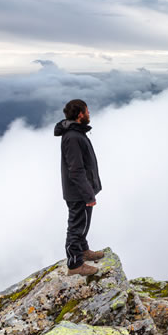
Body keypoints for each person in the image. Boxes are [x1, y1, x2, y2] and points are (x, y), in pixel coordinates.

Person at [54, 99, 104, 276]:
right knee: (76, 227)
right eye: (87, 111)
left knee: (82, 224)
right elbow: (75, 170)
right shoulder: (73, 137)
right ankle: (75, 265)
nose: (90, 114)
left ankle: (83, 251)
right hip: (78, 193)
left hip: (81, 191)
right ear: (80, 114)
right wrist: (88, 194)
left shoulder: (76, 133)